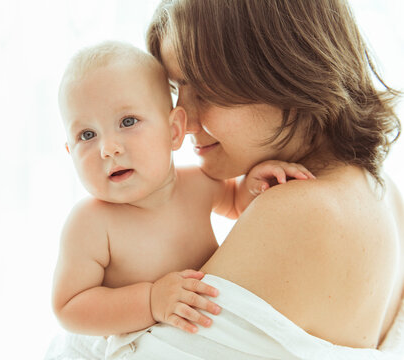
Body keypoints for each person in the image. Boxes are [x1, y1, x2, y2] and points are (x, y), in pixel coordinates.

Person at [106, 0, 404, 358]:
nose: (184, 124)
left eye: (203, 88)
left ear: (287, 66)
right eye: (175, 91)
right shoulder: (382, 190)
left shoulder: (300, 211)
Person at [46, 41, 314, 359]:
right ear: (69, 153)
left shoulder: (198, 184)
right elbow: (69, 306)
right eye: (87, 135)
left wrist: (255, 183)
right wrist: (150, 300)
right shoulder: (91, 223)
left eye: (128, 122)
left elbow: (236, 204)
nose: (109, 148)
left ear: (174, 131)